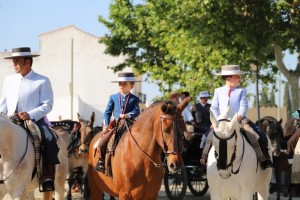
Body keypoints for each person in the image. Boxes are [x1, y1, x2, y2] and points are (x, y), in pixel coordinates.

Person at [0, 47, 59, 191]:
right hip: (10, 119)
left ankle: (47, 176)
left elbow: (48, 104)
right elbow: (4, 102)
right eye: (13, 61)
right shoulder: (9, 80)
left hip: (33, 120)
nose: (13, 63)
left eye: (17, 61)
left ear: (28, 62)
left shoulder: (42, 80)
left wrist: (30, 114)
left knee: (50, 139)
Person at [200, 65, 272, 170]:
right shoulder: (218, 91)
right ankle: (203, 159)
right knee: (207, 137)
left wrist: (238, 117)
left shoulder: (241, 91)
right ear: (229, 79)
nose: (240, 78)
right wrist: (217, 120)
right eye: (237, 76)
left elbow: (244, 106)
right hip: (221, 122)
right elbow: (214, 108)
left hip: (239, 120)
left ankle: (263, 159)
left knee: (258, 135)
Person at [96, 72, 141, 172]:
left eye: (125, 83)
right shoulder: (113, 97)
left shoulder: (134, 98)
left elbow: (137, 111)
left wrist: (127, 115)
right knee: (102, 142)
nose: (122, 85)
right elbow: (107, 113)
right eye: (120, 83)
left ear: (132, 85)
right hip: (116, 124)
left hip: (130, 123)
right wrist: (105, 125)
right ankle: (101, 160)